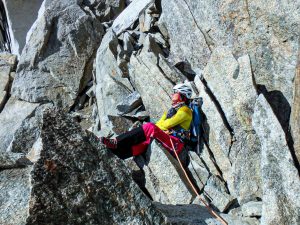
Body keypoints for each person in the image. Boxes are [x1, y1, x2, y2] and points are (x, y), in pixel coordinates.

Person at [99, 83, 193, 159]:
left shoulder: (185, 111)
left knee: (150, 127)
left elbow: (164, 125)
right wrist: (166, 118)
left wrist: (162, 125)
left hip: (176, 144)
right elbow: (159, 124)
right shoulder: (173, 110)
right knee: (144, 143)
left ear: (181, 95)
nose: (172, 95)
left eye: (175, 92)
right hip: (169, 139)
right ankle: (118, 153)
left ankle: (116, 141)